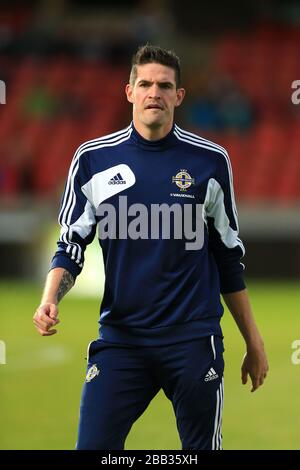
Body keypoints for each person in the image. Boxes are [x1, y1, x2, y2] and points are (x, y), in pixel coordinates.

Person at [33, 44, 269, 450]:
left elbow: (229, 258)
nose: (153, 92)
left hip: (193, 342)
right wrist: (50, 296)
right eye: (144, 83)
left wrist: (254, 340)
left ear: (179, 95)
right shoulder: (93, 160)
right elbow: (71, 242)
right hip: (122, 342)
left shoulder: (210, 161)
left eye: (164, 85)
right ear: (129, 91)